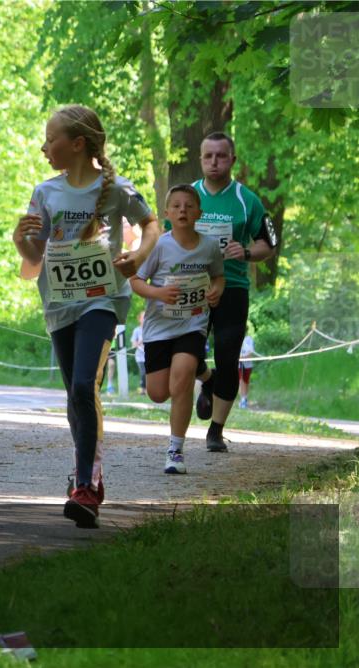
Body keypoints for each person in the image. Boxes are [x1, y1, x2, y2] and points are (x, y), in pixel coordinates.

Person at [13, 104, 159, 528]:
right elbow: (35, 255)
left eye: (51, 139)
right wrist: (19, 240)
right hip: (60, 304)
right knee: (76, 397)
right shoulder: (46, 192)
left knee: (83, 385)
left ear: (77, 144)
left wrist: (139, 257)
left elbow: (151, 224)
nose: (44, 147)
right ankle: (85, 471)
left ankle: (86, 484)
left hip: (103, 299)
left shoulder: (115, 189)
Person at [188, 132, 279, 452]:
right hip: (193, 287)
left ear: (232, 160)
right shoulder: (188, 197)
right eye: (208, 156)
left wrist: (248, 252)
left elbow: (270, 242)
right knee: (187, 353)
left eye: (221, 156)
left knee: (228, 356)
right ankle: (207, 381)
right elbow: (169, 239)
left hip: (233, 288)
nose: (214, 162)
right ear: (200, 159)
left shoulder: (247, 199)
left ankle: (216, 430)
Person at [130, 185, 225, 475]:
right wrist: (158, 294)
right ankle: (208, 377)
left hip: (193, 323)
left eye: (189, 206)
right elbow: (135, 281)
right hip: (159, 327)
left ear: (199, 213)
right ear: (167, 213)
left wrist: (215, 292)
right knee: (158, 393)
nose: (183, 210)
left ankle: (175, 451)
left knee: (180, 381)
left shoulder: (209, 246)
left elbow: (218, 277)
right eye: (177, 206)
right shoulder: (158, 245)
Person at [238, 330, 257, 409]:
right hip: (239, 364)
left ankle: (245, 398)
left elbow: (251, 353)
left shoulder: (249, 339)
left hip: (248, 364)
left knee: (246, 381)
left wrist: (243, 358)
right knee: (241, 380)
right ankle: (242, 399)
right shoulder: (236, 338)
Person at [131, 311, 146, 394]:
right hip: (140, 356)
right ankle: (143, 389)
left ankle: (148, 389)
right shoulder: (136, 330)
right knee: (143, 372)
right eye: (143, 317)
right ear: (139, 319)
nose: (145, 319)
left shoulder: (150, 329)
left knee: (150, 373)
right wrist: (140, 342)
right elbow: (133, 345)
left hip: (149, 355)